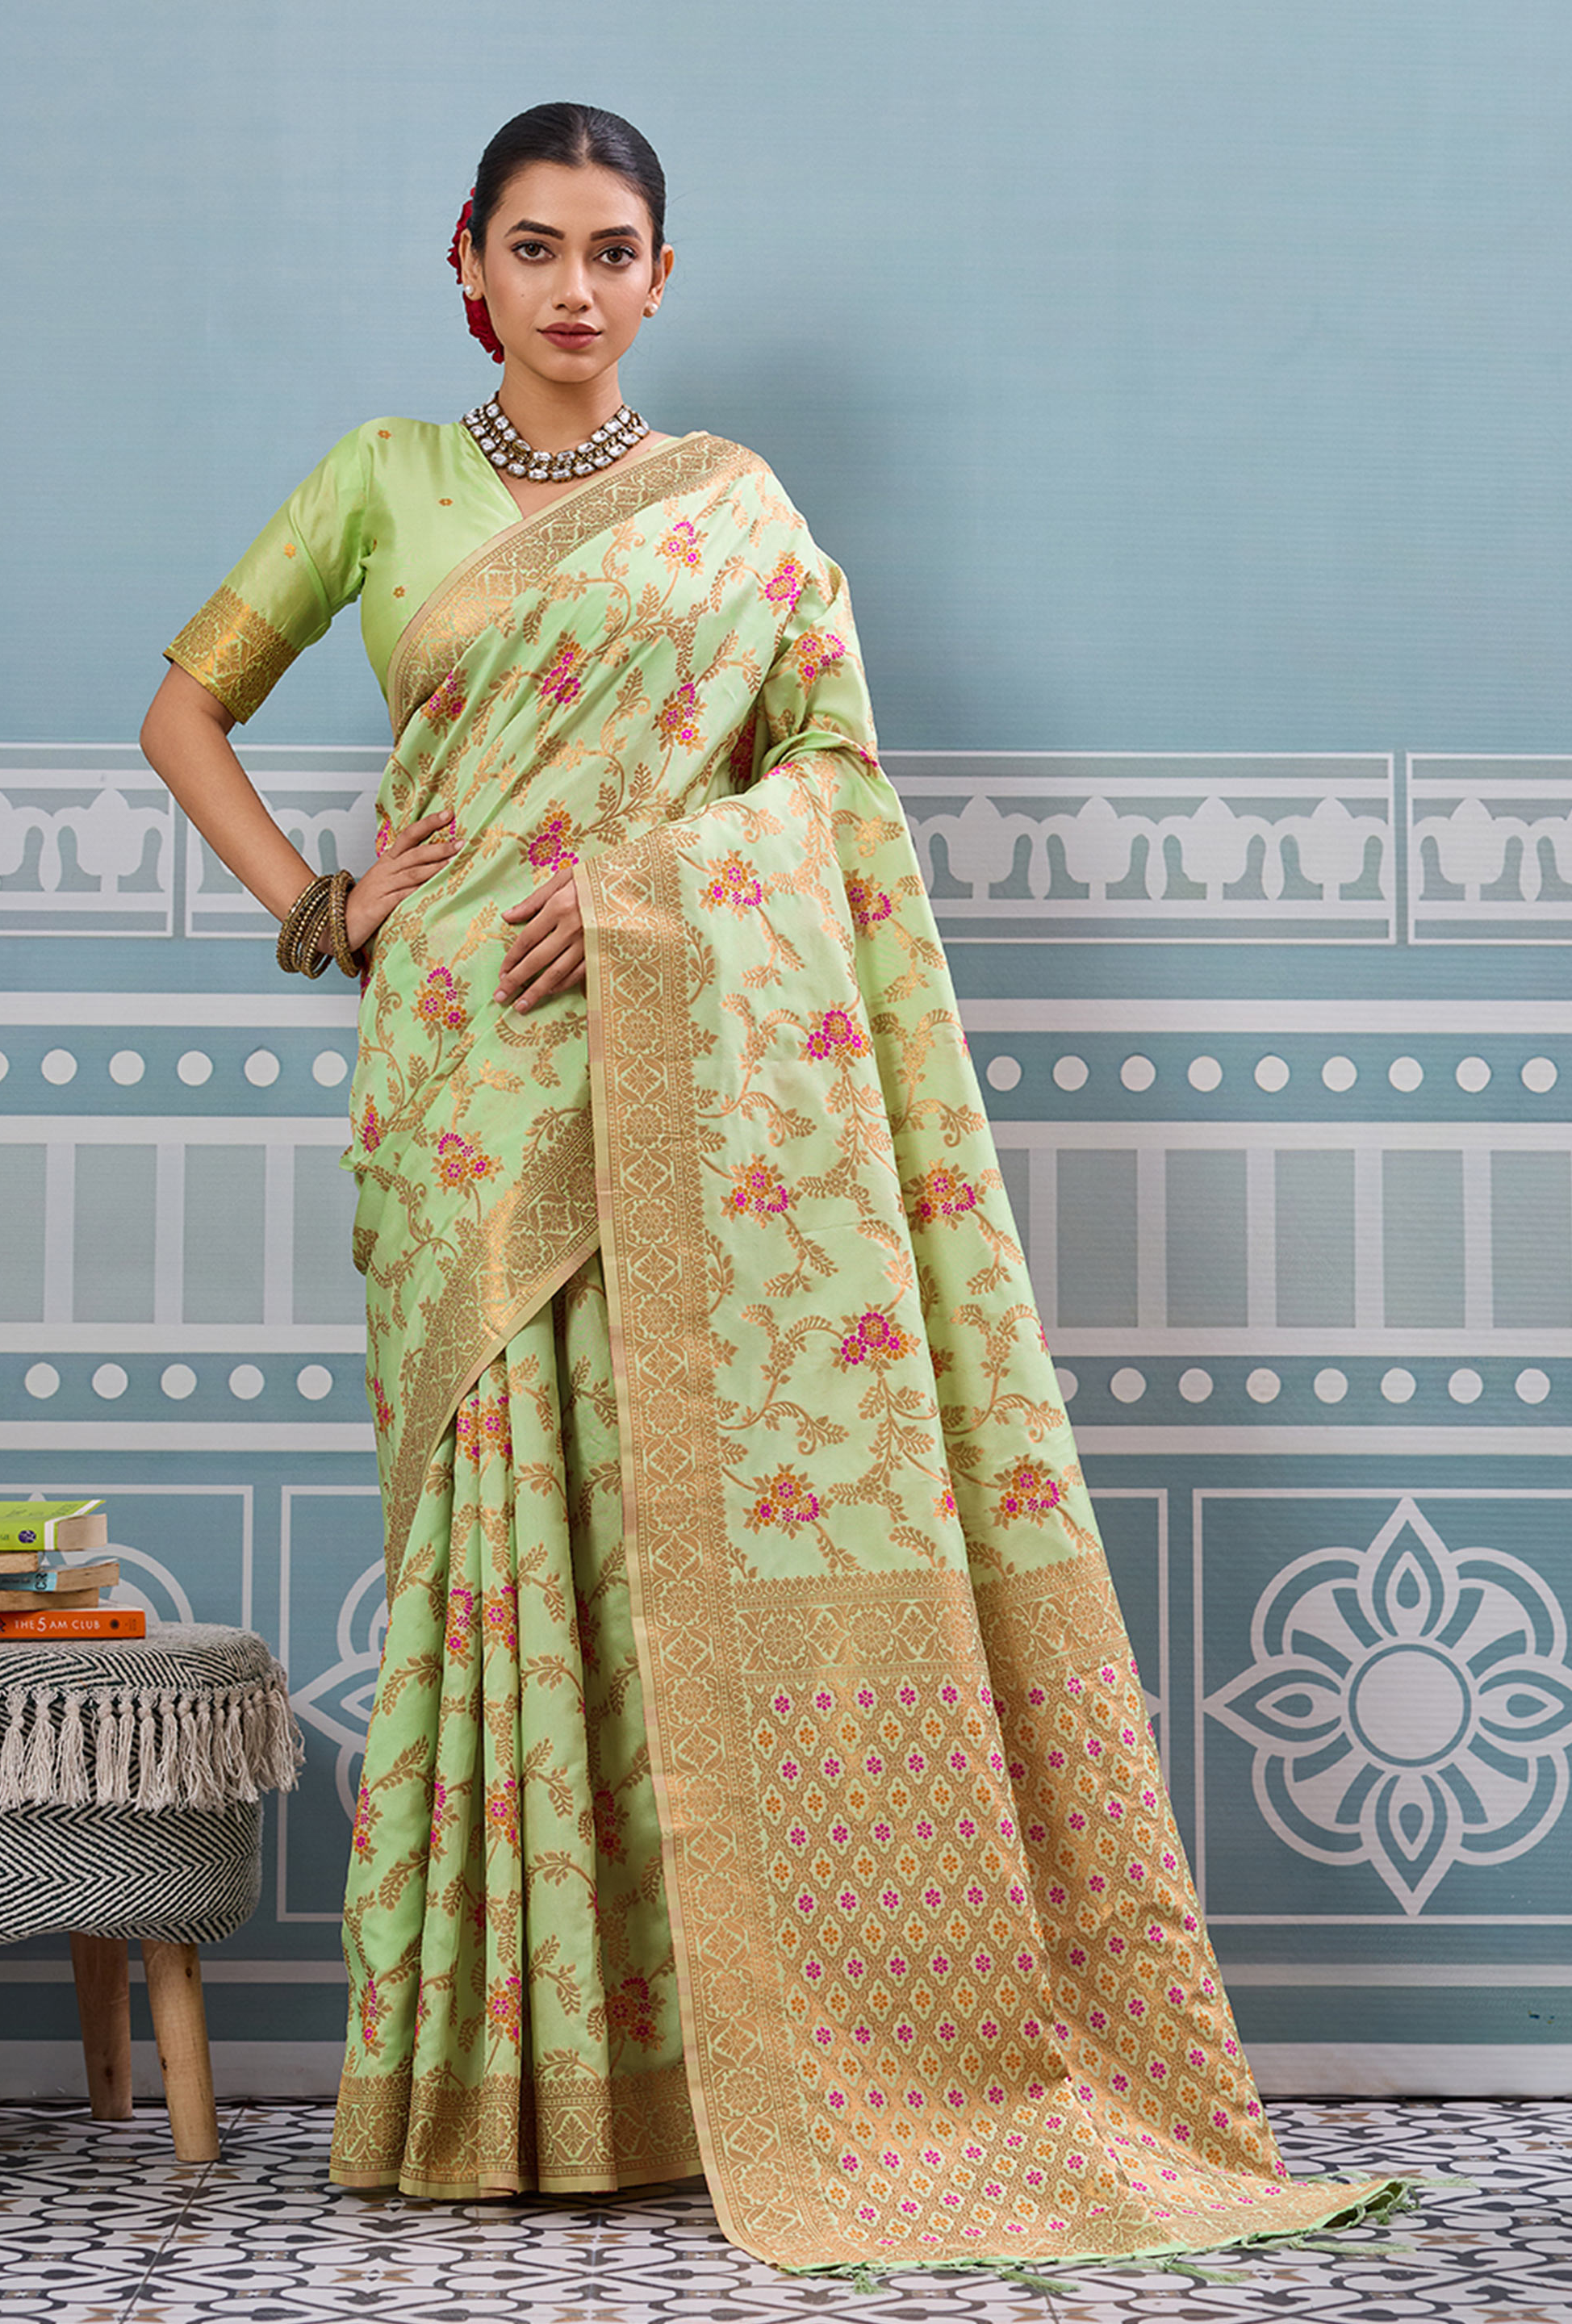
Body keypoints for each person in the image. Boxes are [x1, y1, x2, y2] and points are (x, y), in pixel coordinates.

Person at [141, 101, 1403, 2280]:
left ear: (659, 276)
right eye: (536, 247)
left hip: (675, 1057)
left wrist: (648, 893)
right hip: (455, 1078)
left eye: (613, 250)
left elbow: (830, 782)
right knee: (495, 1543)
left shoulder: (734, 512)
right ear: (466, 263)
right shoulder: (378, 478)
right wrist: (324, 907)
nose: (574, 287)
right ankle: (503, 2090)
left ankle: (701, 2070)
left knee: (671, 1527)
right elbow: (184, 711)